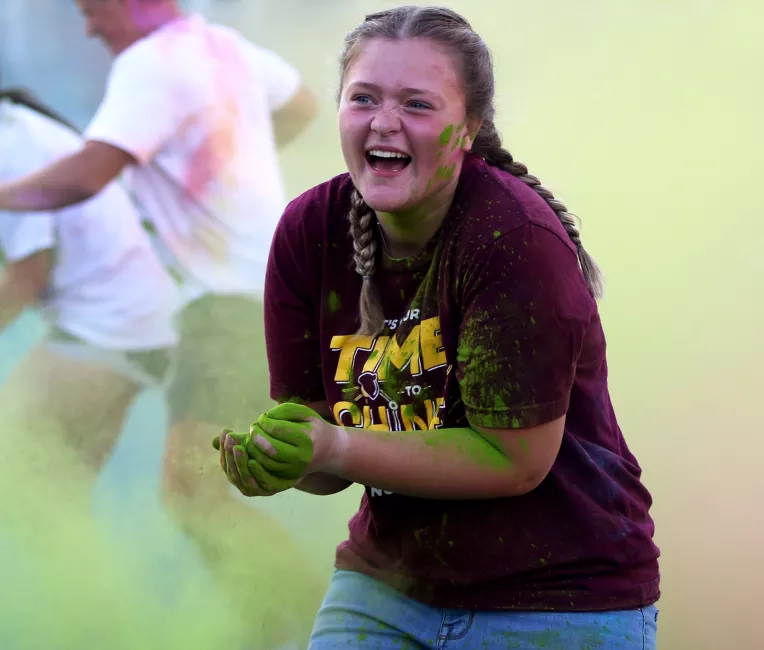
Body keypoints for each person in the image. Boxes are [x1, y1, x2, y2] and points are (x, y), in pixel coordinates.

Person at [212, 6, 662, 648]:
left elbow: (515, 460)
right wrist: (280, 461)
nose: (384, 122)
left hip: (561, 596)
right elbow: (324, 456)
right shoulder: (308, 233)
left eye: (418, 105)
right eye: (362, 98)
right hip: (388, 585)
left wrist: (332, 446)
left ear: (469, 126)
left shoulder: (512, 238)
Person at [0, 0, 322, 645]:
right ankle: (282, 631)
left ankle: (330, 630)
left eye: (92, 11)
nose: (89, 28)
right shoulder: (219, 46)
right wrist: (215, 164)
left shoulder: (149, 63)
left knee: (195, 497)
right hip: (259, 294)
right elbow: (303, 105)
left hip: (231, 305)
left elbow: (87, 176)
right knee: (199, 496)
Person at [0, 83, 176, 515]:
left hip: (110, 330)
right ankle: (89, 584)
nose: (88, 24)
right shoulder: (17, 129)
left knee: (17, 487)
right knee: (55, 505)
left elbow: (26, 277)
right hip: (138, 328)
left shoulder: (9, 145)